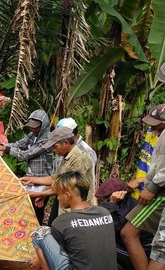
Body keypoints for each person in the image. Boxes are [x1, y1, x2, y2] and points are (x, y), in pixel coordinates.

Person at [31, 171, 116, 270]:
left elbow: (57, 252)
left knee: (39, 233)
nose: (58, 198)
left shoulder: (61, 222)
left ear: (67, 195)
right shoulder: (104, 212)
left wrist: (38, 262)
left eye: (58, 194)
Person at [122, 104, 165, 270]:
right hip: (155, 188)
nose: (152, 126)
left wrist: (152, 187)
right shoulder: (158, 134)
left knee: (130, 233)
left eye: (156, 123)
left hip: (159, 192)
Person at [21, 127, 94, 224]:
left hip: (77, 212)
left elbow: (68, 186)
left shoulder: (79, 159)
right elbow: (55, 178)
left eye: (55, 147)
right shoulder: (67, 157)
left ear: (66, 143)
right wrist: (31, 179)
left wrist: (41, 194)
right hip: (66, 207)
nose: (54, 151)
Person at [0, 109, 53, 224]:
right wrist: (3, 145)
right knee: (27, 208)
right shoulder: (33, 135)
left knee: (37, 210)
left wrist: (6, 149)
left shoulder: (47, 139)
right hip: (31, 179)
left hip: (43, 181)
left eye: (36, 127)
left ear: (43, 125)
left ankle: (38, 232)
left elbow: (26, 154)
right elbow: (19, 144)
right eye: (32, 126)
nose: (33, 129)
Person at [95, 177, 153, 270]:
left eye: (106, 198)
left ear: (118, 195)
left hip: (143, 253)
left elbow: (109, 227)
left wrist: (111, 203)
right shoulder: (125, 203)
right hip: (128, 247)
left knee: (97, 246)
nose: (104, 201)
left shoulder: (127, 207)